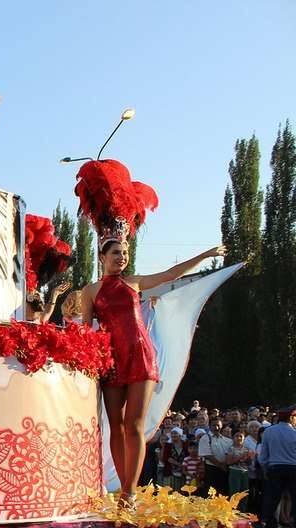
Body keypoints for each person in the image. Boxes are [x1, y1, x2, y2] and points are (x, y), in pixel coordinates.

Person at [76, 158, 225, 499]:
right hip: (111, 361)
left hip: (141, 356)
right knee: (114, 425)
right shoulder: (91, 291)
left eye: (125, 252)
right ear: (103, 255)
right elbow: (86, 329)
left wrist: (204, 255)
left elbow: (171, 276)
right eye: (116, 252)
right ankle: (119, 489)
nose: (122, 257)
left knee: (135, 426)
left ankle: (129, 490)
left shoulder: (135, 283)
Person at [258, 404, 296, 528]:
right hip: (293, 468)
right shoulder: (294, 433)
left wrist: (265, 467)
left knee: (273, 499)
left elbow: (263, 455)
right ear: (291, 418)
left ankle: (270, 526)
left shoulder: (269, 431)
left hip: (275, 468)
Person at [199, 417, 234, 494]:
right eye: (213, 425)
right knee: (210, 494)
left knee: (223, 493)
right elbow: (207, 455)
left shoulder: (227, 440)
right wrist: (220, 465)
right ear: (209, 426)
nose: (216, 427)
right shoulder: (205, 438)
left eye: (218, 425)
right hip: (211, 470)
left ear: (221, 426)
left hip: (224, 470)